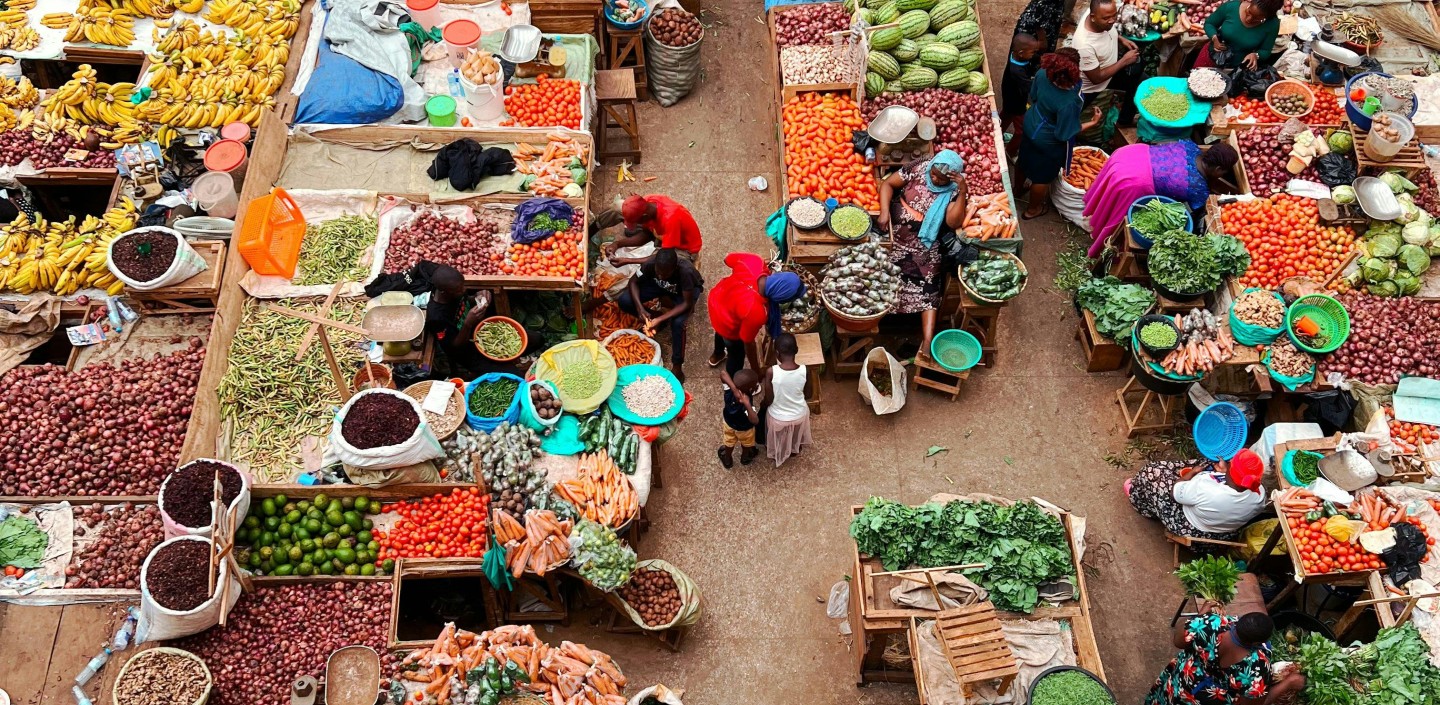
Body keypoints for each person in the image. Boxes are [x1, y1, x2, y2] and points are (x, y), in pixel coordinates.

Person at [876, 150, 967, 359]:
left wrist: (962, 192)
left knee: (929, 287)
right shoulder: (919, 167)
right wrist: (884, 212)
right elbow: (888, 184)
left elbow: (954, 222)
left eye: (941, 179)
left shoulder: (953, 191)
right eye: (934, 174)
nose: (934, 179)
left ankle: (927, 342)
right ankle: (871, 320)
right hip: (895, 237)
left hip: (924, 246)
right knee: (878, 275)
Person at [1082, 140, 1239, 256]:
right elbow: (1195, 212)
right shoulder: (1198, 189)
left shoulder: (1190, 146)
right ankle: (1102, 246)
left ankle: (1095, 214)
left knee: (1112, 196)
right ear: (1218, 169)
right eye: (1223, 173)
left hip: (1130, 154)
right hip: (1134, 180)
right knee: (1118, 217)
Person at [1146, 610, 1304, 705]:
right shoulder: (1257, 666)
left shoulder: (1210, 624)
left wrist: (1200, 616)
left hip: (1181, 683)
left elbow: (1178, 641)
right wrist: (1288, 683)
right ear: (1258, 642)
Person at [1015, 49, 1101, 220]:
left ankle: (1017, 190)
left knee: (1023, 160)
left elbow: (1033, 96)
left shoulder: (1041, 73)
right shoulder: (1069, 101)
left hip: (1031, 123)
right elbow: (1064, 133)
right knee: (1042, 177)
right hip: (1047, 141)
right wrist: (1093, 122)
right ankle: (1032, 210)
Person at [1125, 449, 1266, 541]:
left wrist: (1192, 473)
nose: (1228, 463)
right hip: (1221, 536)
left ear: (1232, 472)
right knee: (1208, 464)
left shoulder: (1207, 489)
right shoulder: (1260, 495)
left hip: (1190, 529)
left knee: (1152, 472)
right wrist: (1223, 474)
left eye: (1231, 464)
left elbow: (1175, 492)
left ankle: (1139, 499)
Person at [706, 253, 805, 375]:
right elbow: (747, 341)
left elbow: (727, 259)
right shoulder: (756, 312)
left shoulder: (755, 262)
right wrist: (756, 370)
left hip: (717, 299)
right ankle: (733, 383)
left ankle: (717, 355)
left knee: (719, 331)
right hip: (727, 322)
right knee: (736, 353)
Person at [618, 247, 704, 381]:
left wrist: (661, 317)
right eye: (658, 272)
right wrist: (640, 309)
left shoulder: (685, 271)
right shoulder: (651, 264)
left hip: (683, 293)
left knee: (678, 323)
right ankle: (657, 319)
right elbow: (633, 282)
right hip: (660, 286)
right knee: (625, 301)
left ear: (674, 268)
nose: (660, 276)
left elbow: (686, 303)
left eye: (665, 274)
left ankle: (677, 366)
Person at [1072, 0, 1138, 145]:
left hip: (1110, 71)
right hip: (1091, 87)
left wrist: (1119, 38)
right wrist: (1124, 61)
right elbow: (1096, 78)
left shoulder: (1099, 20)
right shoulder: (1084, 45)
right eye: (1106, 18)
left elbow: (1108, 29)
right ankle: (1076, 142)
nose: (1112, 21)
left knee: (1139, 81)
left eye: (1114, 15)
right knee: (1072, 118)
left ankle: (1124, 121)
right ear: (1093, 16)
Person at [422, 264, 493, 377]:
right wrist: (468, 324)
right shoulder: (436, 318)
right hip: (465, 351)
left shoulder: (455, 290)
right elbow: (455, 346)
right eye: (459, 289)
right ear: (444, 292)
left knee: (530, 339)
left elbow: (466, 299)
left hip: (479, 332)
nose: (464, 289)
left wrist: (478, 297)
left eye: (463, 285)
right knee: (507, 371)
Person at [604, 194, 703, 264]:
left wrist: (627, 261)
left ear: (644, 216)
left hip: (685, 248)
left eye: (637, 221)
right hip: (662, 233)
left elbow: (664, 256)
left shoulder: (671, 219)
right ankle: (593, 227)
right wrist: (617, 244)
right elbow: (646, 234)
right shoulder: (648, 201)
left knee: (659, 266)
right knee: (616, 208)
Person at [763, 333, 812, 467]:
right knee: (796, 424)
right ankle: (794, 448)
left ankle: (776, 449)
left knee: (770, 415)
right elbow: (808, 395)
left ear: (777, 353)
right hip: (799, 415)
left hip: (778, 418)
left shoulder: (771, 372)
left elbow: (769, 399)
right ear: (796, 350)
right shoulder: (804, 370)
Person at [1196, 0, 1283, 70]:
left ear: (1268, 17)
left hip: (1236, 68)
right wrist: (1214, 37)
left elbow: (1266, 50)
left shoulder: (1272, 24)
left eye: (1257, 19)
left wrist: (1255, 55)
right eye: (1248, 12)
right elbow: (1209, 23)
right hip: (1210, 58)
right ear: (1250, 2)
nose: (1249, 19)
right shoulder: (1231, 7)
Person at [1000, 33, 1046, 157]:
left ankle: (997, 136)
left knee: (1005, 116)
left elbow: (1032, 57)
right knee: (1022, 130)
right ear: (1021, 53)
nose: (1034, 55)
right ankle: (1011, 151)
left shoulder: (1015, 56)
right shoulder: (1017, 71)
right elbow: (1029, 87)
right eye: (1032, 52)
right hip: (1017, 101)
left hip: (1009, 96)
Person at [717, 367, 762, 469]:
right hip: (745, 429)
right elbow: (755, 420)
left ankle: (727, 458)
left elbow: (723, 373)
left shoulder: (729, 390)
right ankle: (745, 457)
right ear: (751, 389)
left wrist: (734, 388)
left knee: (729, 442)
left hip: (729, 424)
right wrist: (747, 405)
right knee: (746, 443)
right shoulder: (747, 402)